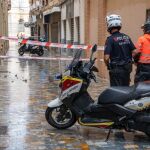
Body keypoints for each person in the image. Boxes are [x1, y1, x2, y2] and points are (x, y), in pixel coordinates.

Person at [104, 14, 136, 86]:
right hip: (127, 69)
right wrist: (131, 61)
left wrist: (107, 65)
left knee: (116, 91)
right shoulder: (126, 37)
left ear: (109, 25)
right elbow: (134, 51)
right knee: (125, 89)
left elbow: (106, 57)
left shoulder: (110, 39)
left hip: (116, 70)